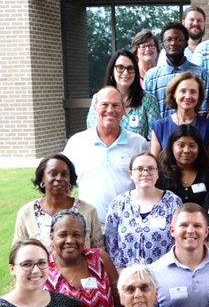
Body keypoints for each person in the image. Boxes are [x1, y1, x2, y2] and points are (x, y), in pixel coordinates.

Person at [62, 86, 149, 225]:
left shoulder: (138, 144)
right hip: (88, 226)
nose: (110, 110)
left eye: (116, 105)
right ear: (95, 108)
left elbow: (148, 185)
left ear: (124, 110)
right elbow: (65, 184)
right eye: (104, 105)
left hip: (128, 226)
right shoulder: (77, 143)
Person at [105, 152, 182, 269]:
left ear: (157, 173)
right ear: (131, 174)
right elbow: (111, 243)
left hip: (165, 274)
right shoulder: (118, 204)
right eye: (139, 169)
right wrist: (120, 273)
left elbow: (179, 240)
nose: (145, 173)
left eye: (151, 169)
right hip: (128, 277)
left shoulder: (173, 202)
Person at [14, 153, 103, 251]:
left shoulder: (89, 211)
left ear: (70, 179)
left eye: (64, 174)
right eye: (53, 174)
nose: (59, 178)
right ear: (42, 177)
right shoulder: (26, 213)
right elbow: (18, 254)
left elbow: (99, 253)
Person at [144, 21, 209, 119]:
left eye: (179, 39)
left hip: (193, 133)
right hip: (160, 133)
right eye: (168, 39)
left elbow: (204, 111)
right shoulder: (151, 77)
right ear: (163, 44)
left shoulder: (201, 74)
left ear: (186, 43)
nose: (173, 43)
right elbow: (148, 113)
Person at [150, 72, 209, 166]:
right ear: (174, 94)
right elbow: (154, 164)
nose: (188, 96)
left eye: (193, 92)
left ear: (199, 96)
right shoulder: (159, 127)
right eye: (183, 91)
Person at [87, 50, 160, 138]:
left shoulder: (148, 100)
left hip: (140, 151)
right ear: (112, 71)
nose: (125, 73)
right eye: (120, 68)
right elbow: (92, 133)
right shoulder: (98, 98)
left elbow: (155, 138)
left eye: (130, 68)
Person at [156, 124, 209, 206]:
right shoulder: (160, 176)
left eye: (192, 146)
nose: (186, 150)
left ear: (199, 148)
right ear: (172, 147)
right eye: (181, 145)